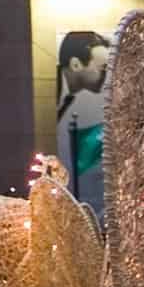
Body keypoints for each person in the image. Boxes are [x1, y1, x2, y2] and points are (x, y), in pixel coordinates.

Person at [56, 29, 113, 219]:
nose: (105, 77)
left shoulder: (68, 101)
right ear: (76, 64)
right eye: (101, 68)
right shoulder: (52, 101)